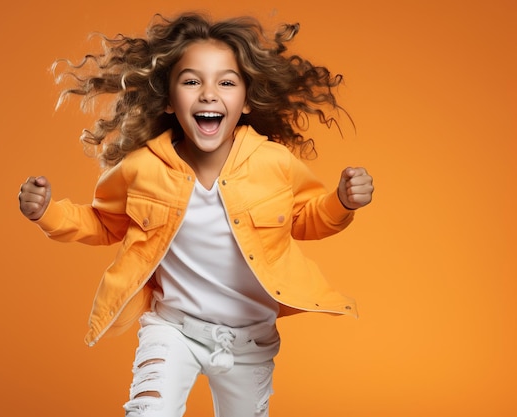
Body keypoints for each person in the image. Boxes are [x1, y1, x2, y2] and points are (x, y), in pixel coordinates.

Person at [19, 12, 373, 417]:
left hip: (249, 339)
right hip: (173, 329)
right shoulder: (142, 168)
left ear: (245, 100)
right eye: (191, 81)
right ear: (169, 101)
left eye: (226, 82)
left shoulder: (274, 162)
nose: (208, 94)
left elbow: (304, 221)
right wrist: (48, 213)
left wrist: (341, 202)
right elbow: (104, 223)